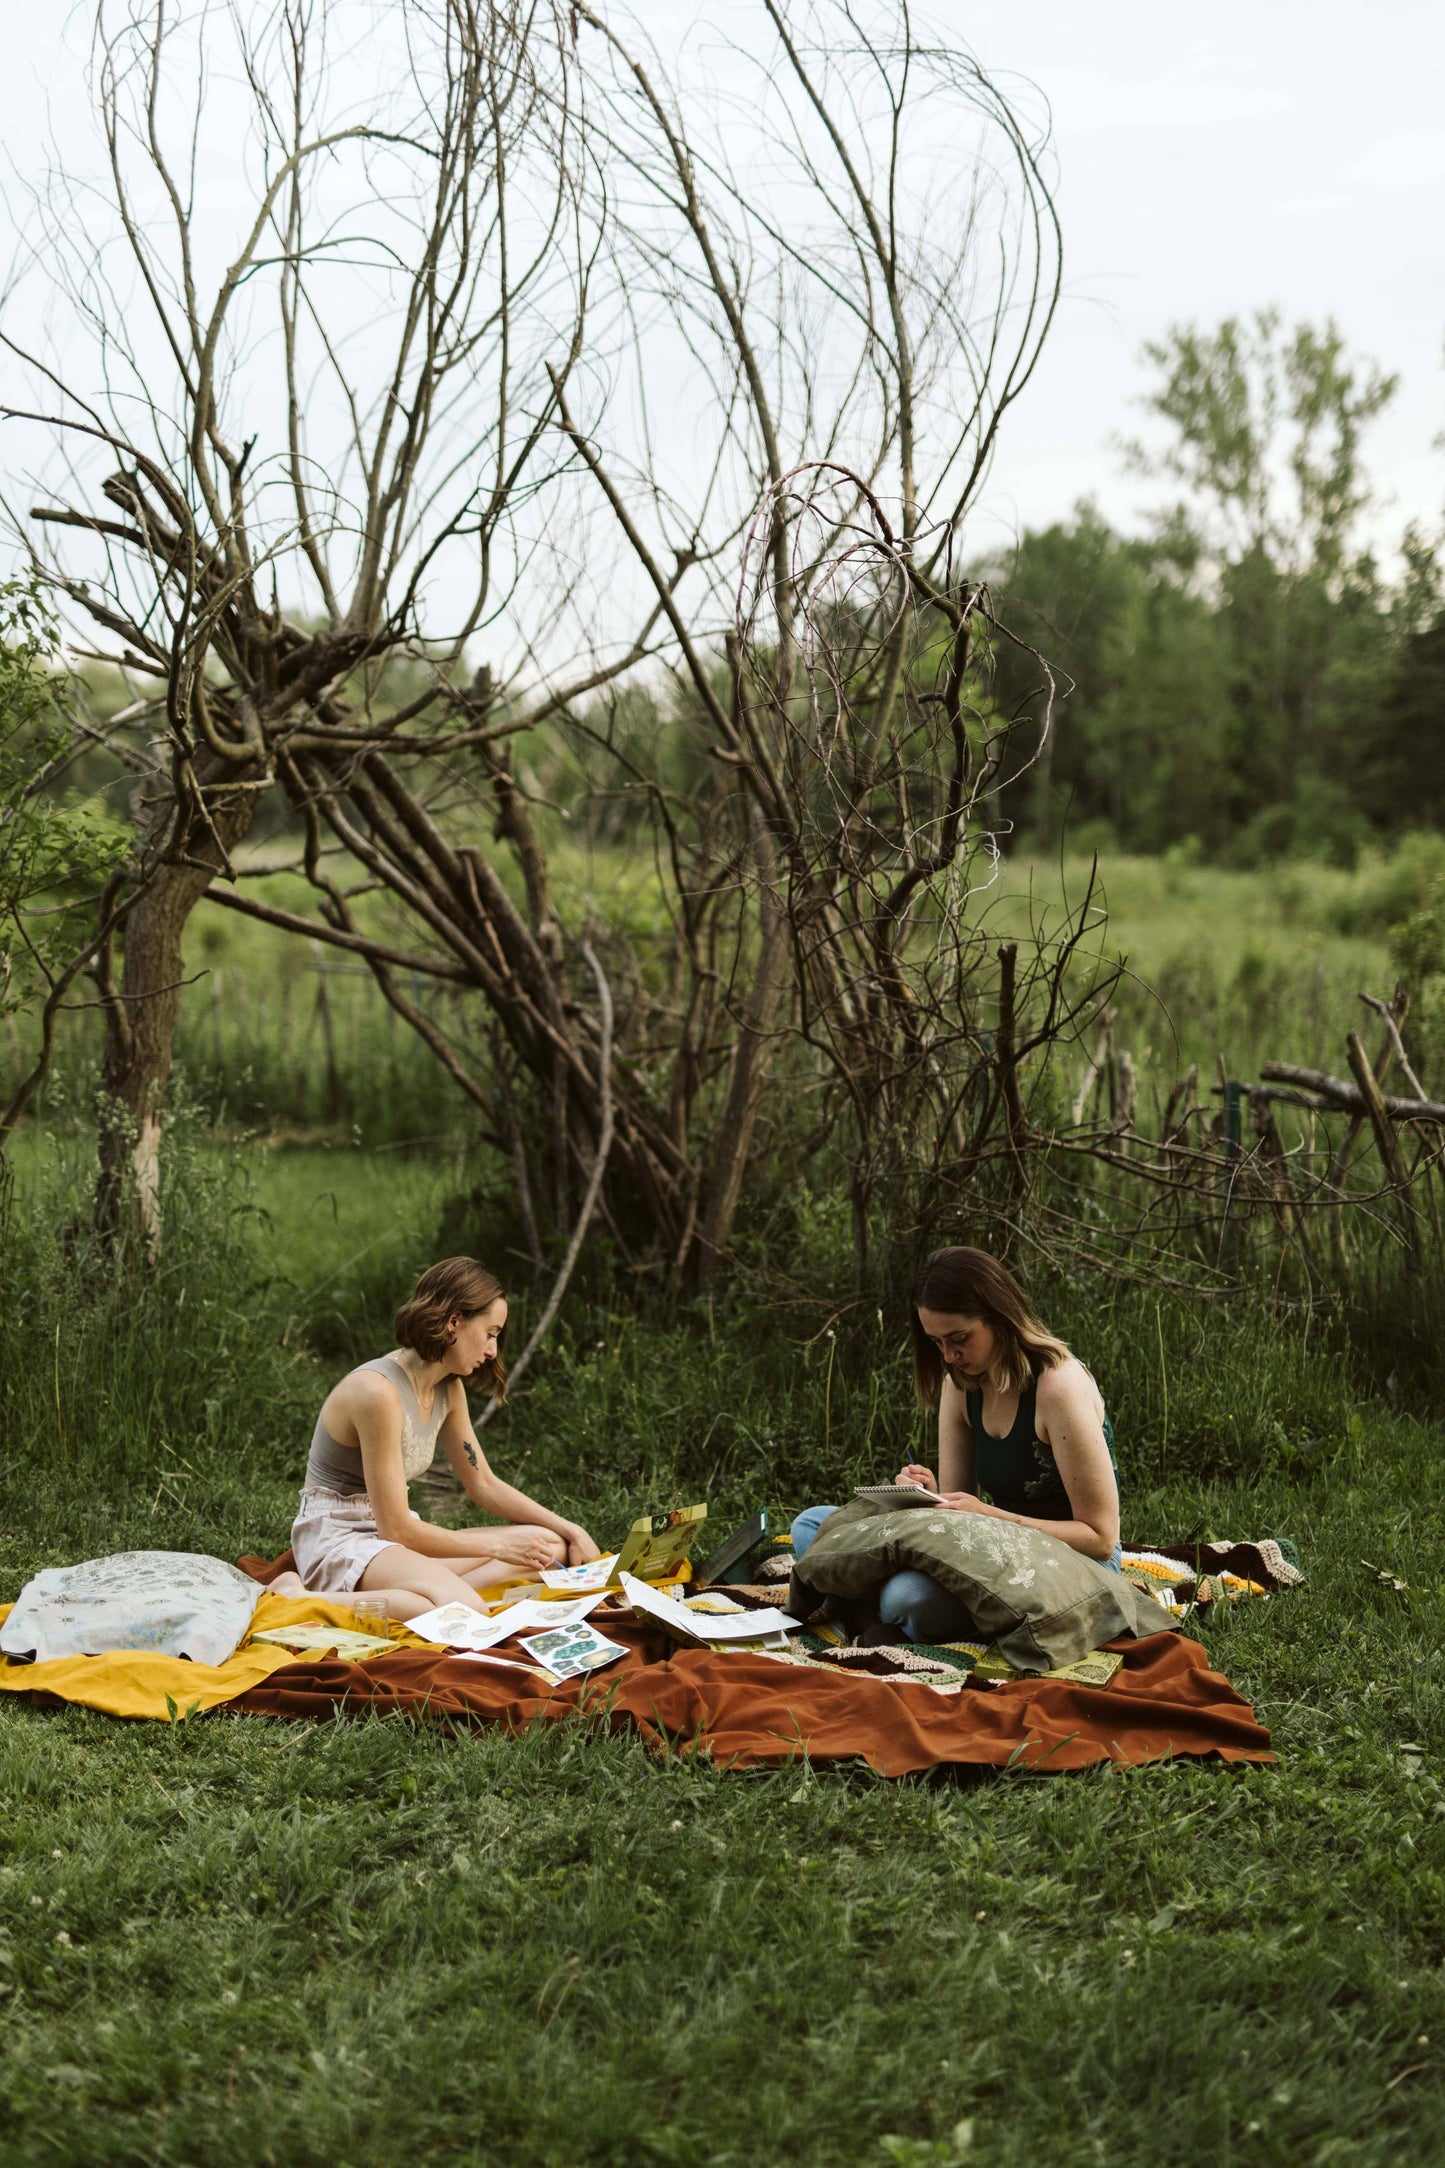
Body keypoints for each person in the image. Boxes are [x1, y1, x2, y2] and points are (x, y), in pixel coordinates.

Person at [791, 1245, 1121, 1645]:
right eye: (936, 1342)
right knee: (811, 1526)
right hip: (987, 1549)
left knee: (907, 1597)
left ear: (999, 1317)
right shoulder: (962, 1384)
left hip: (1069, 1563)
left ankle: (860, 1607)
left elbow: (1101, 1540)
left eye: (959, 1338)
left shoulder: (1058, 1388)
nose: (949, 1355)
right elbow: (956, 1509)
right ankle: (876, 1615)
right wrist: (927, 1497)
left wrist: (987, 1516)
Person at [287, 1256, 600, 1619]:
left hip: (390, 1537)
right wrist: (498, 1545)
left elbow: (482, 1483)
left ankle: (430, 1591)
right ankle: (297, 1597)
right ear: (455, 1321)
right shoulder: (377, 1394)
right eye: (491, 1334)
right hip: (341, 1538)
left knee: (549, 1546)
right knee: (464, 1609)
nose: (493, 1351)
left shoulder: (448, 1389)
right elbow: (398, 1529)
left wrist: (570, 1529)